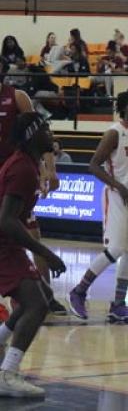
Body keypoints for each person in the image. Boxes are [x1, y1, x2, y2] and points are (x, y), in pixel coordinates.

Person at [68, 90, 128, 321]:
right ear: (123, 108)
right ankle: (78, 292)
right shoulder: (114, 133)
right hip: (115, 197)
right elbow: (93, 166)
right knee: (115, 250)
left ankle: (118, 305)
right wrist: (118, 187)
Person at [0, 112, 66, 398]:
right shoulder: (23, 169)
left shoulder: (28, 164)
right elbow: (6, 220)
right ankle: (8, 373)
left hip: (8, 244)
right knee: (37, 304)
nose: (51, 135)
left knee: (36, 298)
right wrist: (45, 252)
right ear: (32, 135)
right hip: (3, 243)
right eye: (46, 129)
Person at [0, 75, 64, 316]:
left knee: (32, 233)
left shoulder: (16, 96)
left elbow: (39, 129)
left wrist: (49, 169)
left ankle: (46, 295)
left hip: (15, 174)